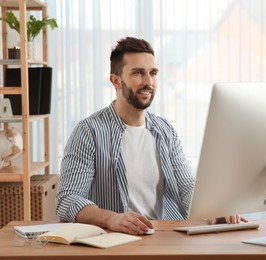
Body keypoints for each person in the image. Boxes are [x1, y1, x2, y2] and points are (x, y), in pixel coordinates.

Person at [56, 36, 246, 236]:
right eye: (138, 73)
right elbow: (67, 199)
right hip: (113, 244)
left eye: (153, 73)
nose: (148, 82)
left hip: (164, 238)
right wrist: (112, 218)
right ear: (115, 81)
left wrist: (215, 211)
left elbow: (187, 188)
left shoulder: (165, 130)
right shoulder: (89, 132)